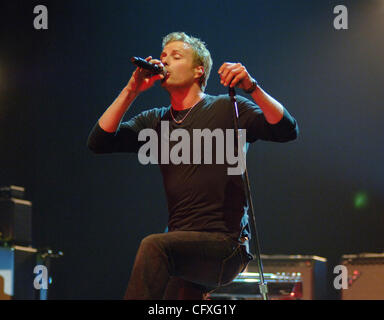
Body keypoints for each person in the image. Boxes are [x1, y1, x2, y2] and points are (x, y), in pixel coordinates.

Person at [87, 32, 299, 300]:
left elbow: (286, 129)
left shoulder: (226, 107)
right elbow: (99, 141)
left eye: (176, 57)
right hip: (182, 250)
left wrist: (252, 87)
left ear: (199, 70)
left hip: (225, 246)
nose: (165, 62)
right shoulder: (156, 122)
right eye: (163, 57)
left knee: (154, 246)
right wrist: (131, 91)